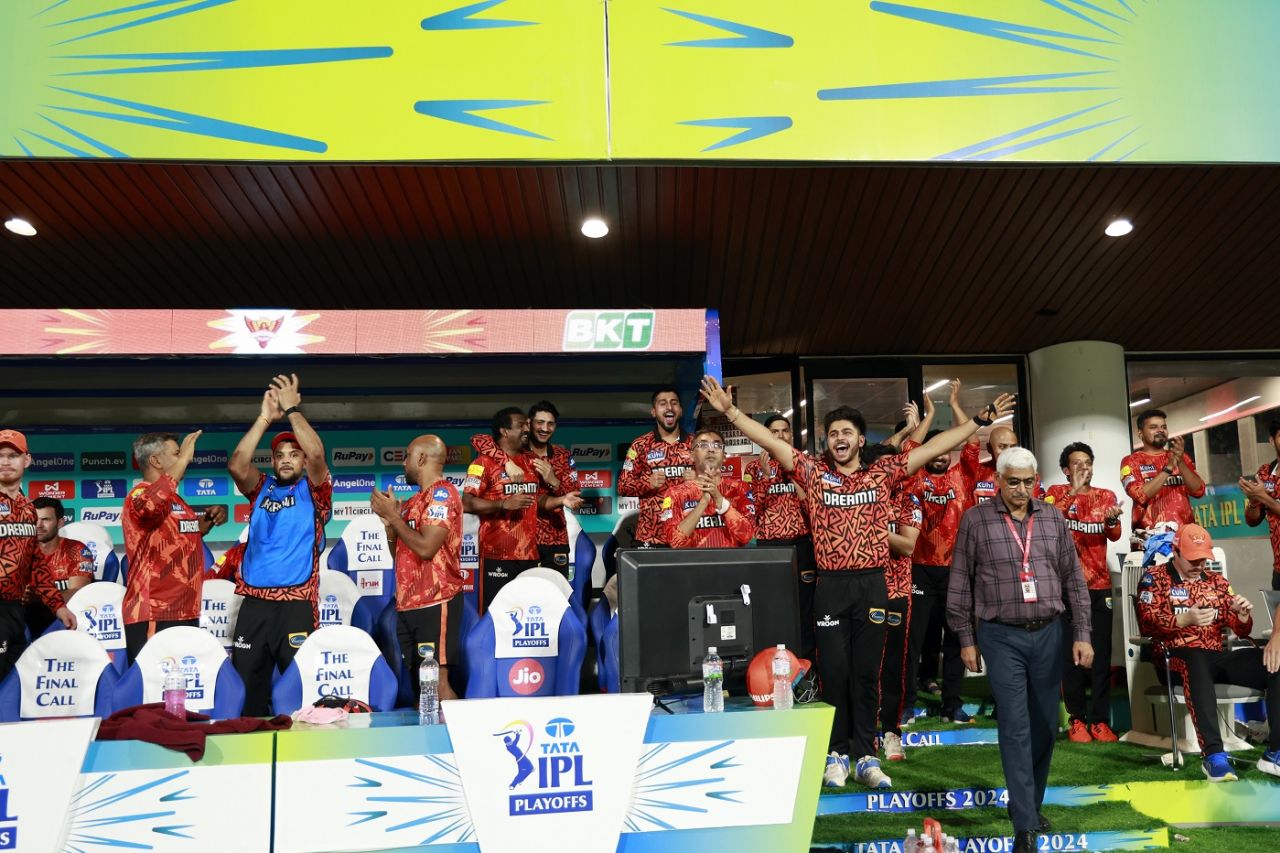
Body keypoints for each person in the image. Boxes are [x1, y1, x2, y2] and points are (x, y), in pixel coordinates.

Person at [700, 374, 1014, 791]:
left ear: (861, 440)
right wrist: (730, 412)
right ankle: (836, 754)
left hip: (872, 586)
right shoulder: (813, 472)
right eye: (832, 433)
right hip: (830, 587)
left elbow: (936, 446)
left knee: (867, 673)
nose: (839, 438)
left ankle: (866, 755)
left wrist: (979, 420)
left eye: (846, 432)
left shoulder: (883, 473)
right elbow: (773, 443)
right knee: (834, 672)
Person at [947, 446, 1092, 852]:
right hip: (1000, 634)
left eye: (1029, 482)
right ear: (998, 481)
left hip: (1049, 632)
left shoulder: (1052, 517)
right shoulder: (976, 521)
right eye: (1014, 482)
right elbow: (960, 583)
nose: (1022, 489)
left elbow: (1074, 581)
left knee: (1046, 724)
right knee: (1015, 725)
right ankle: (1025, 826)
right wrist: (965, 638)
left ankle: (1026, 804)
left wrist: (1082, 632)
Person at [1136, 524, 1280, 782]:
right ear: (1174, 551)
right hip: (1175, 656)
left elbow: (1240, 628)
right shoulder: (1154, 578)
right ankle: (1214, 756)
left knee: (1274, 661)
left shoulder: (1217, 582)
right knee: (1196, 657)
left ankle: (1275, 753)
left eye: (1203, 558)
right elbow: (1146, 623)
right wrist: (1183, 620)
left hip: (1216, 655)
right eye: (1193, 559)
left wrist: (1242, 614)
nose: (1199, 564)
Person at [226, 375, 333, 716]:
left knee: (299, 690)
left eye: (293, 454)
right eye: (280, 455)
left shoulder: (316, 492)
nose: (287, 459)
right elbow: (236, 465)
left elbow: (317, 452)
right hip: (254, 604)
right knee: (247, 690)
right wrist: (263, 418)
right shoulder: (262, 489)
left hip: (295, 604)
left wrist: (291, 409)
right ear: (272, 463)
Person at [371, 435, 465, 700]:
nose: (403, 463)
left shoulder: (442, 494)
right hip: (407, 605)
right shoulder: (413, 502)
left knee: (438, 685)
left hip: (436, 601)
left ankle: (456, 739)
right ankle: (426, 740)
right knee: (421, 689)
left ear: (422, 458)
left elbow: (426, 548)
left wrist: (393, 517)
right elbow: (399, 555)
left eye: (407, 456)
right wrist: (391, 526)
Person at [123, 430, 226, 663]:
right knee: (153, 689)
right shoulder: (138, 495)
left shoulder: (175, 499)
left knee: (180, 687)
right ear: (155, 460)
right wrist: (183, 461)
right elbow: (149, 506)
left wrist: (206, 522)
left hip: (186, 609)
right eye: (176, 453)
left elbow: (178, 535)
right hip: (154, 612)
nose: (184, 458)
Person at [1045, 442, 1124, 743]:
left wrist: (1113, 519)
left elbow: (1113, 534)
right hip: (1063, 587)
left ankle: (1101, 721)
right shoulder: (1054, 494)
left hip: (1099, 585)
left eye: (1087, 462)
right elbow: (1048, 523)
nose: (1083, 468)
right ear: (1066, 470)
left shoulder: (1106, 497)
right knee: (1071, 657)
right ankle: (1076, 719)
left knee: (1101, 655)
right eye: (1076, 464)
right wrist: (1073, 492)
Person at [908, 382, 976, 722]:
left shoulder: (962, 476)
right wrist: (929, 417)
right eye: (932, 450)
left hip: (955, 570)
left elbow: (973, 442)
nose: (939, 455)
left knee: (956, 639)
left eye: (944, 450)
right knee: (913, 640)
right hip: (918, 569)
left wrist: (954, 404)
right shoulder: (914, 478)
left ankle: (952, 704)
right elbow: (908, 449)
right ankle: (905, 703)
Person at [471, 401, 583, 577]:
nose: (545, 428)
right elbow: (478, 440)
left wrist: (553, 481)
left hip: (553, 538)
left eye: (550, 424)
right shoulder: (518, 451)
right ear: (529, 424)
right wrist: (505, 461)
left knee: (551, 595)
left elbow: (574, 495)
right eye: (540, 423)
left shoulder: (563, 456)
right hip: (520, 542)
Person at [0, 430, 74, 678]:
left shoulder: (27, 509)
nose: (5, 461)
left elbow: (35, 562)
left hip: (13, 612)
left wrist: (58, 606)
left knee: (10, 685)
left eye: (13, 455)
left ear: (27, 460)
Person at [744, 414, 815, 660]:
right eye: (774, 432)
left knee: (805, 608)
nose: (781, 436)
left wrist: (794, 475)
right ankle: (772, 662)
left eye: (785, 431)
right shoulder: (753, 468)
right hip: (770, 547)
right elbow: (753, 512)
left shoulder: (804, 465)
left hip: (802, 545)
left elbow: (813, 509)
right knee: (773, 606)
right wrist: (765, 478)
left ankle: (806, 664)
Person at [463, 407, 539, 614]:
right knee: (495, 616)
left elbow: (540, 500)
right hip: (497, 555)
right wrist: (502, 504)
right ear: (504, 431)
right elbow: (467, 503)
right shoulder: (482, 463)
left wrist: (561, 497)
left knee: (528, 616)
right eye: (521, 425)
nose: (527, 429)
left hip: (531, 555)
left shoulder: (532, 461)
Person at [878, 458, 922, 762]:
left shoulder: (909, 499)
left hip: (896, 592)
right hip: (862, 589)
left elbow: (907, 546)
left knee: (894, 665)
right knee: (864, 668)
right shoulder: (862, 495)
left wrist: (868, 528)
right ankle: (865, 730)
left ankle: (892, 732)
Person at [617, 388, 693, 546]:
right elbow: (622, 487)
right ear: (653, 411)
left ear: (680, 410)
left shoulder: (697, 444)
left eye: (674, 403)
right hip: (651, 537)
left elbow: (716, 484)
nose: (669, 407)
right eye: (662, 403)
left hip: (689, 535)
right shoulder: (640, 445)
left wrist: (698, 480)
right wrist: (647, 484)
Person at [660, 430, 755, 549]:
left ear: (724, 456)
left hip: (730, 565)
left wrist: (719, 499)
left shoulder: (739, 488)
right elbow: (674, 542)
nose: (711, 449)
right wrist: (703, 503)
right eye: (703, 445)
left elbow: (747, 536)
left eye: (717, 445)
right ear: (692, 455)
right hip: (693, 565)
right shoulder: (675, 493)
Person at [1121, 408, 1205, 530]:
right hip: (1149, 540)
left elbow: (1199, 491)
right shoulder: (1130, 462)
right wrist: (1169, 468)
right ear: (1140, 433)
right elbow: (1140, 495)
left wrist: (1180, 461)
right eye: (1153, 427)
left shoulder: (1181, 457)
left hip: (1183, 537)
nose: (1160, 430)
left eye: (1164, 427)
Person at [29, 496, 94, 635]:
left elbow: (78, 592)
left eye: (46, 519)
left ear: (60, 523)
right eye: (35, 519)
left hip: (66, 620)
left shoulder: (76, 550)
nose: (38, 525)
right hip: (26, 619)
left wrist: (35, 599)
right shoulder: (19, 552)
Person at [1240, 418, 1280, 591]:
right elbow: (1253, 521)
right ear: (1272, 440)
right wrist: (1254, 500)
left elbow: (1266, 500)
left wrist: (1263, 497)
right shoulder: (1264, 473)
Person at [964, 423, 1044, 505]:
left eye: (1013, 447)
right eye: (1002, 447)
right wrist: (977, 420)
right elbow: (972, 443)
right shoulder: (977, 472)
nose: (1009, 452)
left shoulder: (1029, 476)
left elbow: (1038, 510)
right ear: (989, 448)